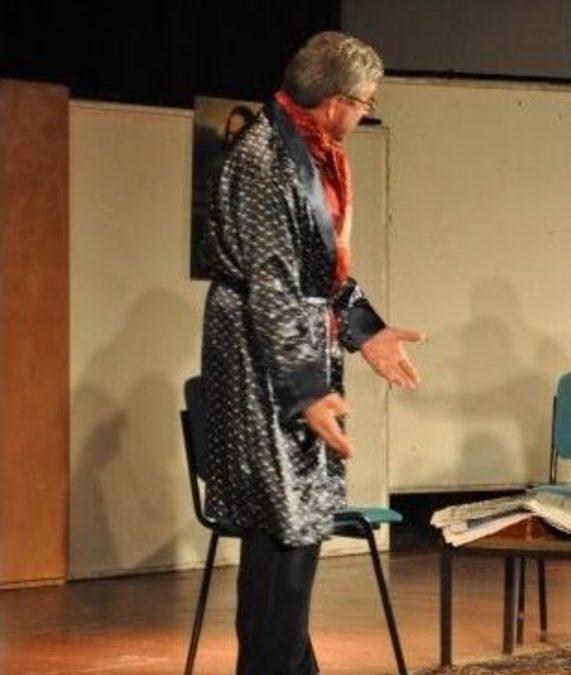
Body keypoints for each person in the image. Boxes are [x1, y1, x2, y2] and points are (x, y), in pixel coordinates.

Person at [200, 31, 422, 673]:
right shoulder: (265, 159)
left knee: (296, 528)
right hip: (262, 359)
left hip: (291, 353)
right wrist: (305, 393)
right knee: (283, 525)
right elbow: (272, 283)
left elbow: (317, 270)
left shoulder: (307, 152)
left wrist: (365, 330)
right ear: (335, 102)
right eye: (366, 103)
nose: (364, 114)